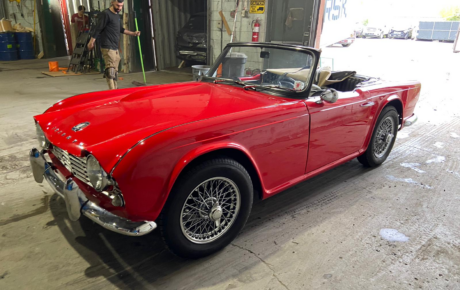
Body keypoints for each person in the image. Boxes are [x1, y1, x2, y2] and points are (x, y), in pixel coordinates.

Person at [87, 0, 140, 89]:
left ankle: (114, 89)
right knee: (110, 70)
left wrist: (133, 33)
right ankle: (112, 91)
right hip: (107, 46)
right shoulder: (105, 14)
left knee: (115, 72)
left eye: (121, 6)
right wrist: (92, 41)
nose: (119, 8)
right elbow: (98, 28)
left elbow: (121, 29)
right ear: (112, 2)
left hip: (115, 47)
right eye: (117, 5)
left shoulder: (116, 15)